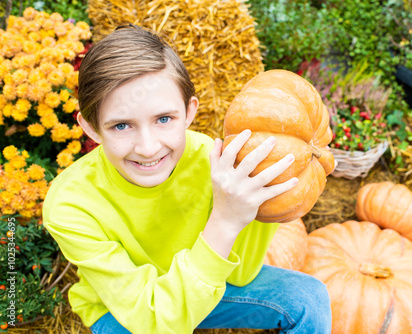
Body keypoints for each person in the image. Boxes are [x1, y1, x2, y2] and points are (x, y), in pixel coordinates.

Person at [42, 24, 332, 334]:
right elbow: (152, 320)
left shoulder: (214, 163)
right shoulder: (70, 204)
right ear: (92, 129)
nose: (148, 147)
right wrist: (224, 220)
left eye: (163, 119)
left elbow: (242, 274)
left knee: (308, 298)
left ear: (189, 112)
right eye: (121, 126)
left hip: (205, 282)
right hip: (131, 313)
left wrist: (264, 197)